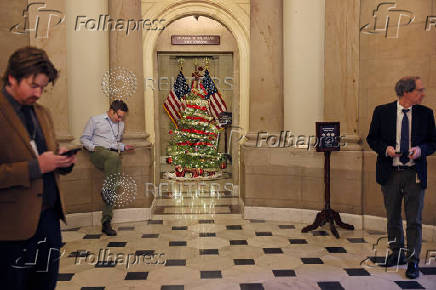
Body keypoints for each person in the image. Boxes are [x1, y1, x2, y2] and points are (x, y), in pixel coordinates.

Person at [0, 47, 77, 289]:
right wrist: (36, 167)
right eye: (33, 85)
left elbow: (47, 155)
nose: (38, 93)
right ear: (12, 77)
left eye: (43, 87)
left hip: (48, 220)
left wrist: (61, 162)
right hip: (12, 227)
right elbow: (36, 164)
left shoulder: (42, 114)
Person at [367, 76, 436, 279]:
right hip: (390, 173)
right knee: (393, 217)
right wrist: (385, 149)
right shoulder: (382, 111)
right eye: (419, 90)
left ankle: (413, 262)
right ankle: (396, 254)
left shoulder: (426, 113)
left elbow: (433, 142)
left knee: (414, 220)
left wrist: (420, 150)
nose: (423, 94)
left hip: (414, 173)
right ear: (406, 92)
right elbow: (372, 139)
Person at [80, 100, 134, 236]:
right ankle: (107, 191)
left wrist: (123, 147)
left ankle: (106, 222)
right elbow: (84, 138)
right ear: (111, 111)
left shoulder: (120, 125)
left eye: (122, 117)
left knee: (113, 183)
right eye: (118, 116)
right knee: (114, 159)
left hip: (112, 154)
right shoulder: (95, 120)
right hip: (98, 152)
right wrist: (93, 148)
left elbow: (115, 143)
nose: (120, 119)